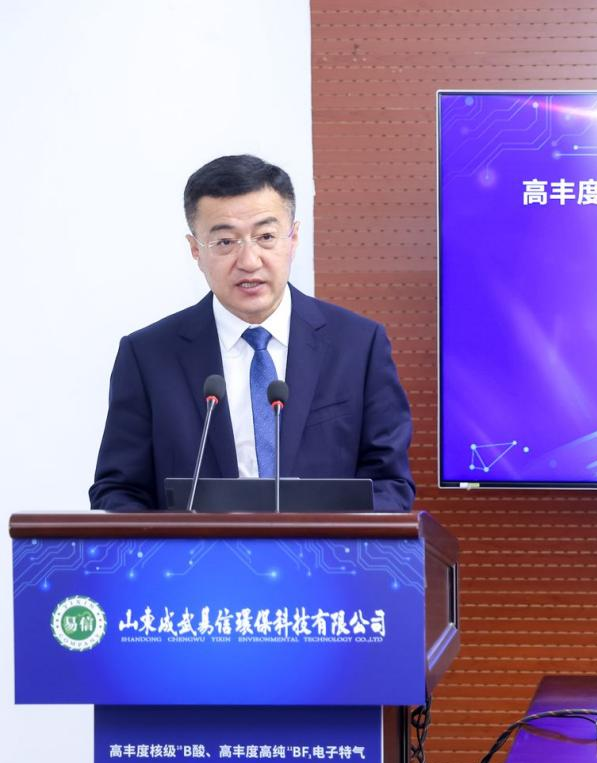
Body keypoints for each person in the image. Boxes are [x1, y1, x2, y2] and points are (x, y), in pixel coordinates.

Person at [89, 154, 415, 512]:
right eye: (225, 242)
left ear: (293, 238)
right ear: (196, 250)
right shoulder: (148, 356)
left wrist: (332, 542)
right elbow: (119, 491)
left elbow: (390, 484)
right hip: (197, 551)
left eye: (266, 237)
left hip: (323, 550)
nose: (248, 261)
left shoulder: (358, 346)